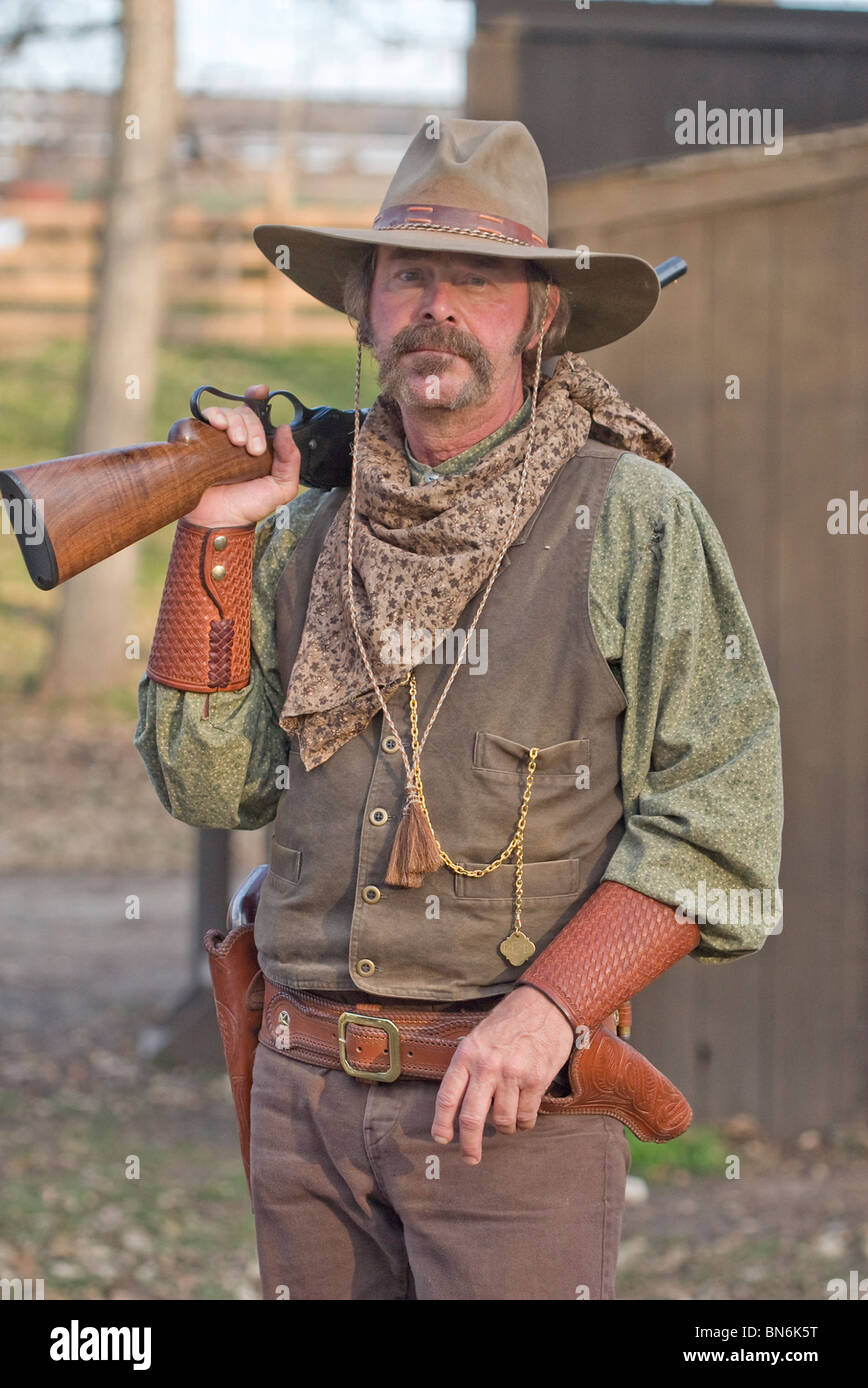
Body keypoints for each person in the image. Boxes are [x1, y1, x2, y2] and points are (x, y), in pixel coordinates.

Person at [135, 118, 783, 1301]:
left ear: (538, 317)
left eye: (476, 278)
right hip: (301, 1108)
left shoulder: (634, 519)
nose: (437, 304)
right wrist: (209, 549)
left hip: (510, 1115)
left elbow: (717, 824)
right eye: (408, 274)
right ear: (367, 311)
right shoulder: (299, 531)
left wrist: (548, 1010)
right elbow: (208, 786)